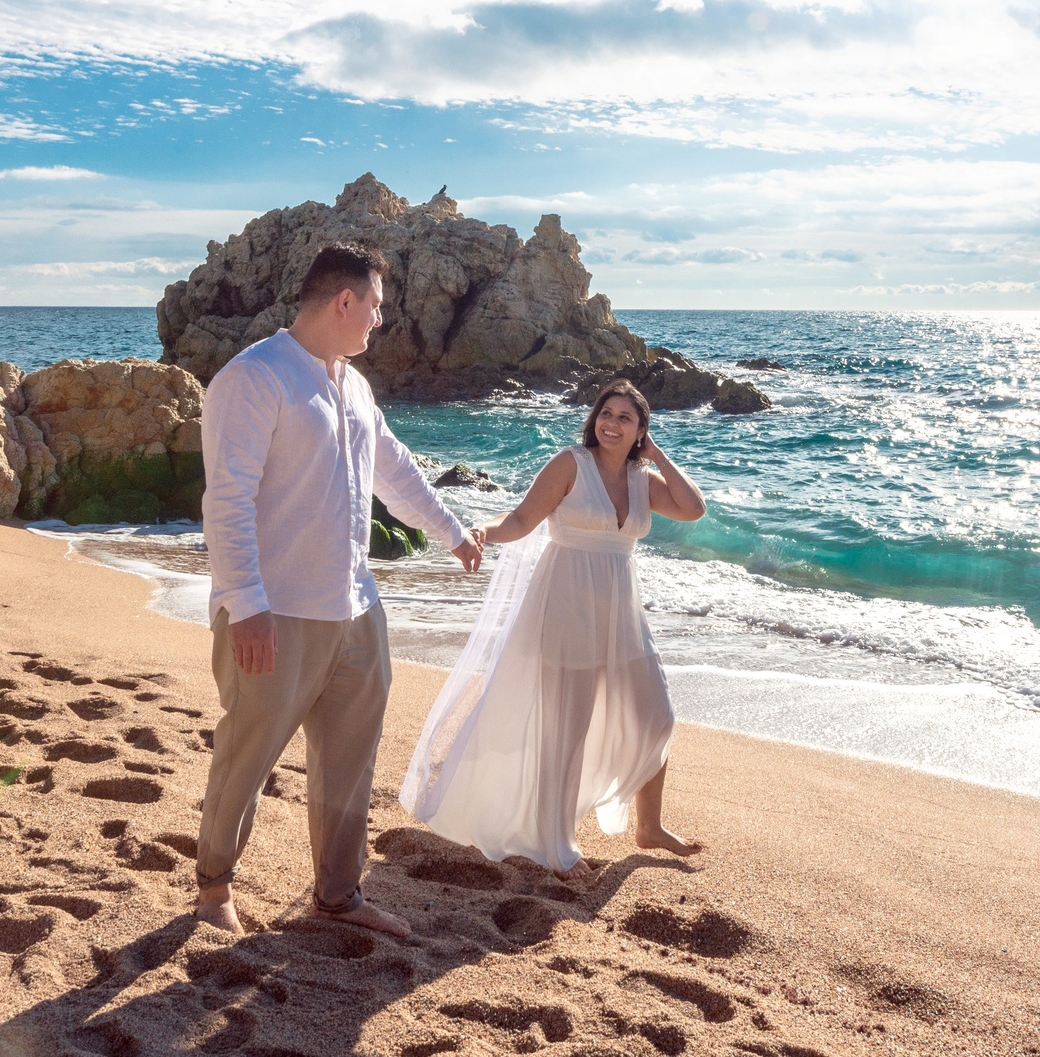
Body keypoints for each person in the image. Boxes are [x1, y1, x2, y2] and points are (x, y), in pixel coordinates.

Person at [193, 242, 483, 936]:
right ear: (343, 301)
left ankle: (338, 894)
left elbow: (396, 469)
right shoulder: (256, 376)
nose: (380, 320)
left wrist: (452, 530)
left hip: (355, 604)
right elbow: (226, 499)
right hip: (276, 609)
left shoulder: (353, 384)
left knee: (351, 758)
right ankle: (213, 886)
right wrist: (247, 601)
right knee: (249, 750)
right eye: (376, 306)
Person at [399, 378, 706, 874]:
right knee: (569, 727)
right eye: (606, 413)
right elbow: (522, 519)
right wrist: (481, 532)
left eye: (625, 418)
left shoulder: (643, 482)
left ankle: (649, 827)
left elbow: (694, 509)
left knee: (657, 714)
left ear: (641, 431)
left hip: (622, 613)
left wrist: (659, 457)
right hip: (566, 604)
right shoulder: (570, 464)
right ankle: (557, 844)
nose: (611, 423)